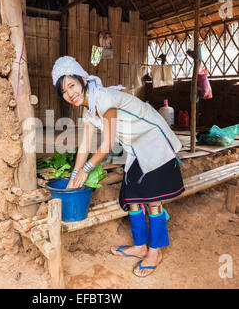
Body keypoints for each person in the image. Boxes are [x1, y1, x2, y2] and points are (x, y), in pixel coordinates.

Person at [51, 56, 185, 278]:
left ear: (83, 79)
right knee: (132, 197)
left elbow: (107, 144)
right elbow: (84, 145)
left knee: (152, 198)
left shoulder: (104, 98)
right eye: (64, 92)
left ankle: (155, 252)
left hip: (153, 140)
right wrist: (76, 172)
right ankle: (140, 245)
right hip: (136, 146)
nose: (69, 94)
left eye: (72, 85)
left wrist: (86, 170)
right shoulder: (88, 111)